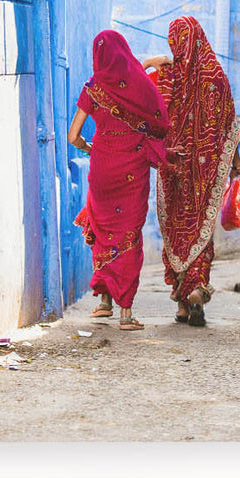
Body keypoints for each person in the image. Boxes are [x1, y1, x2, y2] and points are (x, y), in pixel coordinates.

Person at [67, 29, 168, 331]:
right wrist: (150, 65)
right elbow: (158, 121)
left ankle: (104, 303)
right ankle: (126, 313)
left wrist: (90, 147)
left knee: (103, 229)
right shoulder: (137, 84)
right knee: (128, 233)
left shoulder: (93, 88)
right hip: (131, 168)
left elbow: (73, 136)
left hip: (102, 166)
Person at [148, 16, 240, 327]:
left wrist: (156, 61)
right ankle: (197, 291)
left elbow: (148, 106)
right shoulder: (216, 76)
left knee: (176, 230)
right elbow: (228, 127)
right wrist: (236, 165)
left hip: (172, 168)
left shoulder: (167, 76)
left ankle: (180, 302)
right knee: (200, 231)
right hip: (204, 173)